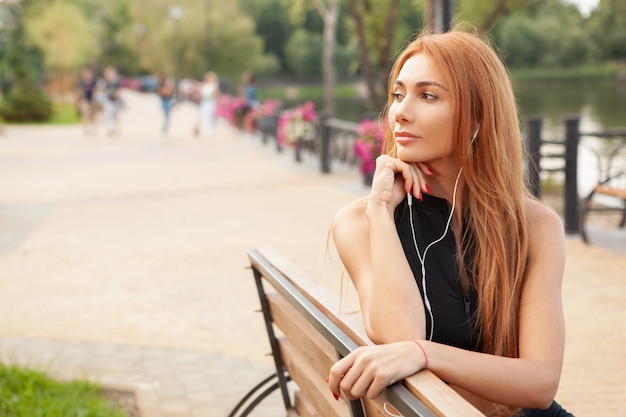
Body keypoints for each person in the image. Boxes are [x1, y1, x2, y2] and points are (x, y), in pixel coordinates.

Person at [327, 26, 574, 417]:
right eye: (398, 94)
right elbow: (399, 334)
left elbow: (541, 382)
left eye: (428, 95)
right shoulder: (361, 222)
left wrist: (423, 354)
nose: (401, 112)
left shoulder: (535, 227)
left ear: (478, 116)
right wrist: (380, 210)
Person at [76, 66, 98, 137]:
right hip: (84, 99)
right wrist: (79, 100)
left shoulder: (93, 82)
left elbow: (95, 91)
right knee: (85, 114)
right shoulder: (81, 82)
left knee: (92, 114)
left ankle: (92, 128)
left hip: (91, 99)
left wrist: (94, 99)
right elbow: (79, 91)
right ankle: (85, 128)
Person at [102, 66, 122, 136]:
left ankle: (114, 128)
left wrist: (117, 95)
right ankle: (109, 128)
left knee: (115, 115)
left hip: (115, 100)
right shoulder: (106, 83)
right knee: (108, 114)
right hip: (109, 100)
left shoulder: (116, 83)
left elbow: (119, 90)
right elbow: (104, 91)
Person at [199, 71, 220, 137]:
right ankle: (207, 130)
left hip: (211, 102)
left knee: (211, 116)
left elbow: (216, 95)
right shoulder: (204, 85)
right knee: (205, 116)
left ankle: (210, 130)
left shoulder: (214, 85)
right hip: (205, 102)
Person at [157, 73, 176, 138]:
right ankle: (164, 131)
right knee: (166, 117)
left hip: (167, 101)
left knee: (167, 117)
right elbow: (164, 94)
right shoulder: (162, 87)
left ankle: (165, 131)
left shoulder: (165, 86)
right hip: (165, 102)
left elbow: (171, 93)